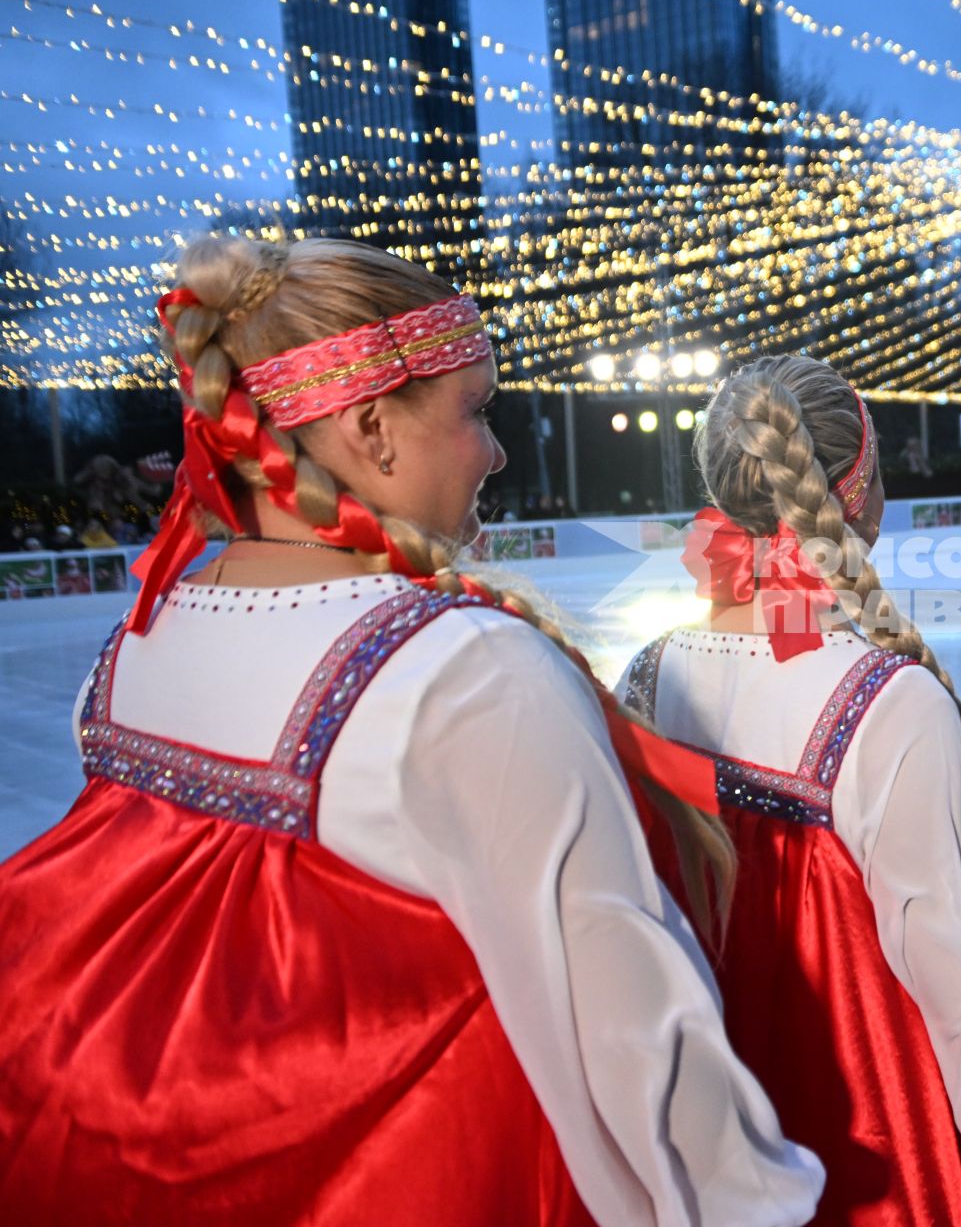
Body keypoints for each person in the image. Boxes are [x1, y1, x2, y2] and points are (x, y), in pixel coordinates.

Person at [0, 236, 823, 1225]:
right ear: (372, 428)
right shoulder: (463, 673)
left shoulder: (137, 641)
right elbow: (647, 1055)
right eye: (476, 408)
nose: (499, 449)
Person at [621, 355, 961, 1226]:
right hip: (880, 1142)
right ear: (857, 495)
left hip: (719, 1133)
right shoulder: (885, 704)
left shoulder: (653, 674)